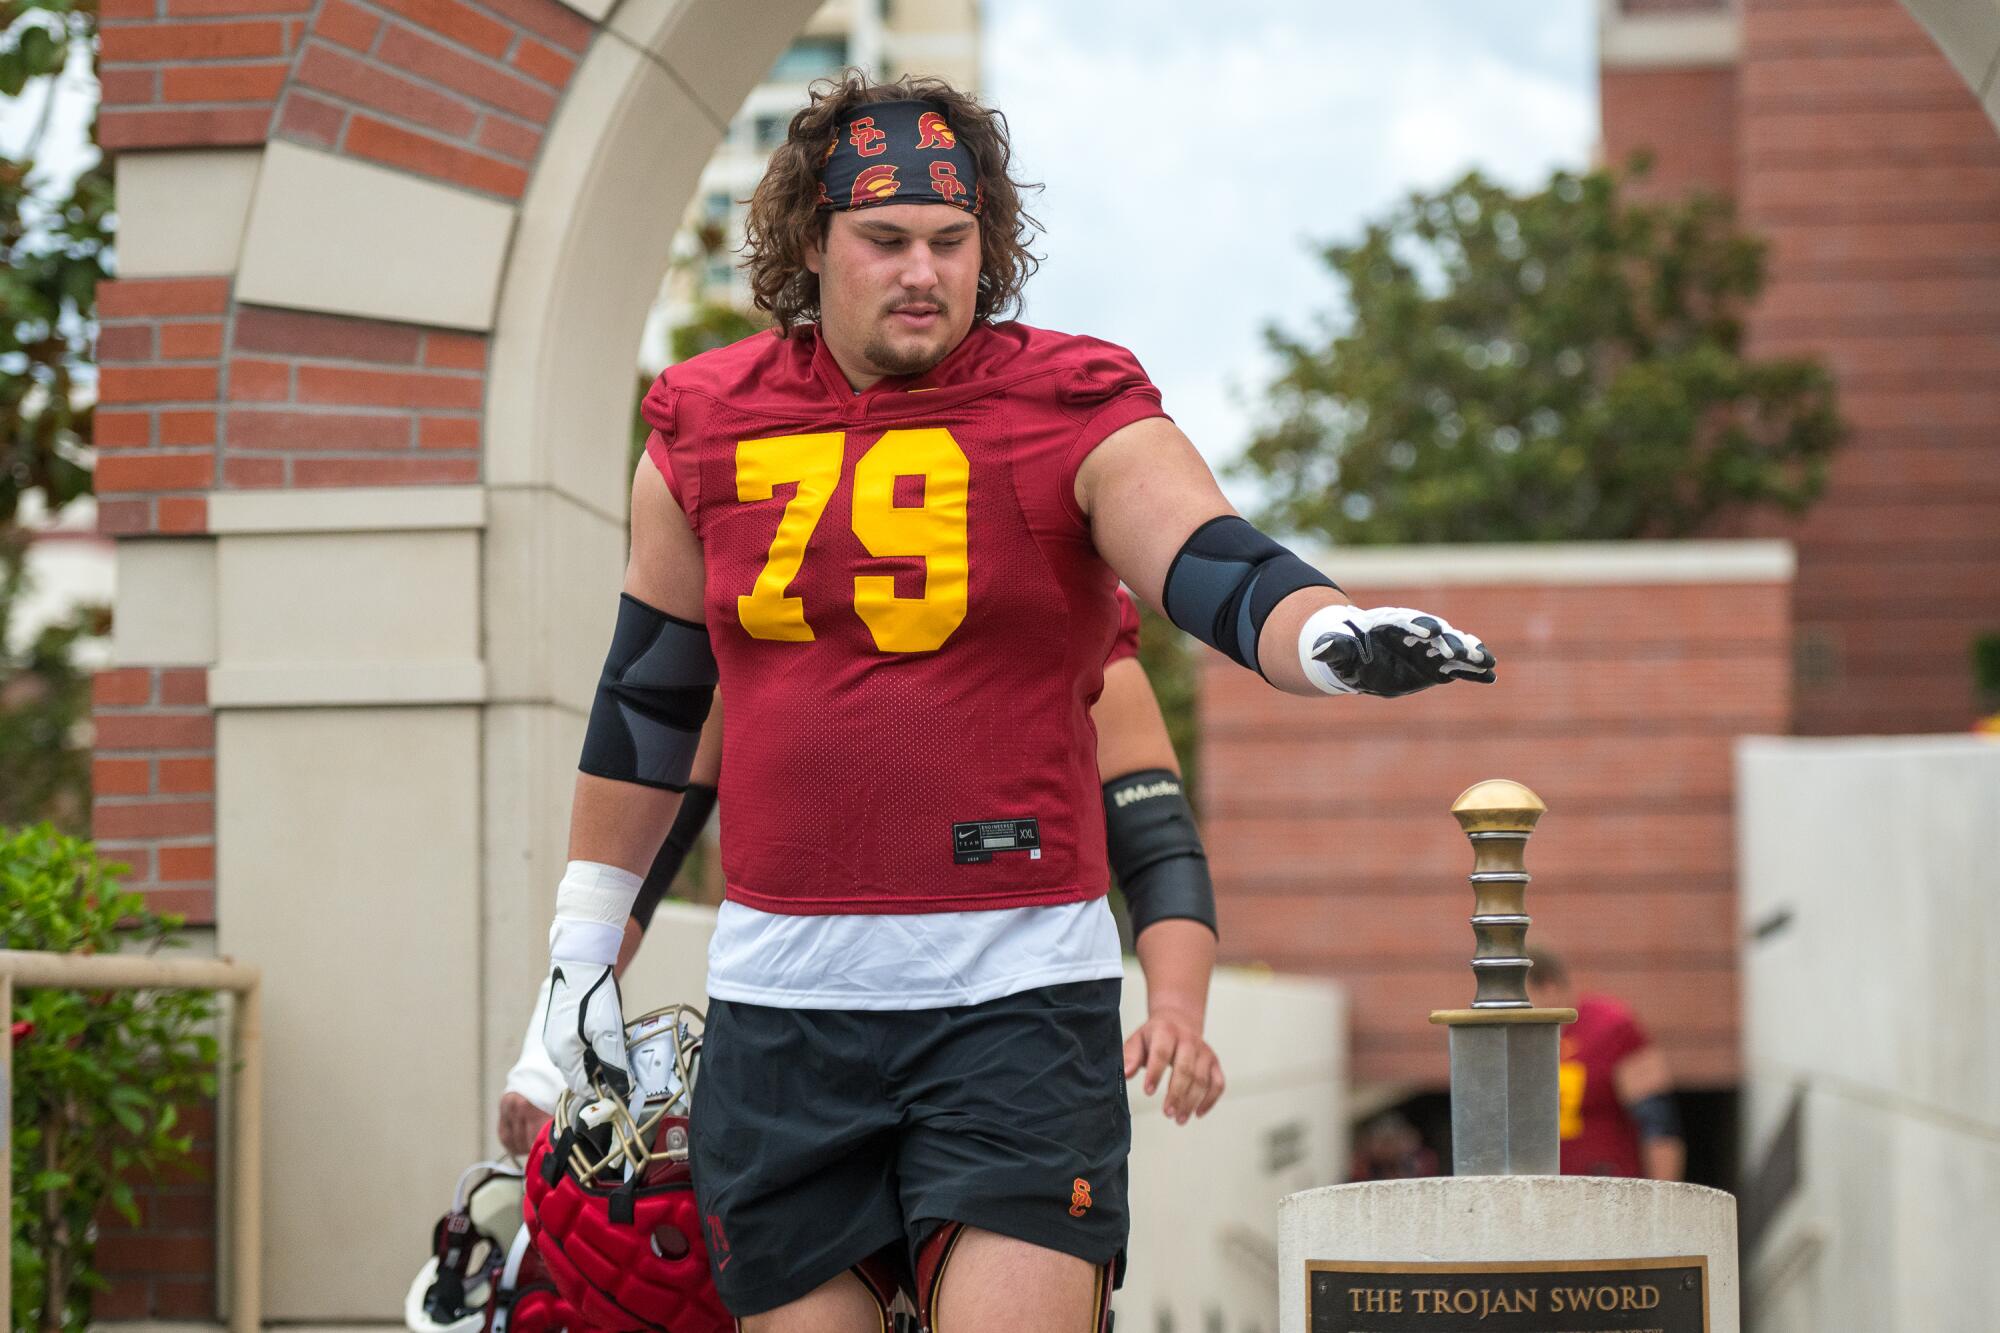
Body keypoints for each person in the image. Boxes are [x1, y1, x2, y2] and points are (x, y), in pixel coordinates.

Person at [541, 72, 1495, 1332]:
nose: (921, 270)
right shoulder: (703, 425)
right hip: (783, 1009)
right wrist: (574, 960)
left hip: (1011, 1006)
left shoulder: (1067, 400)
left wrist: (1325, 634)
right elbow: (650, 707)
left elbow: (1210, 556)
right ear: (810, 244)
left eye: (951, 240)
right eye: (884, 241)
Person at [499, 591, 1222, 1154]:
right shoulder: (762, 621)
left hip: (1007, 1035)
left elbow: (1157, 842)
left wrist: (1179, 1012)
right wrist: (545, 1055)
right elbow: (641, 858)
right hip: (798, 1044)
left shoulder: (1053, 605)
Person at [1527, 947, 1686, 1181]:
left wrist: (1662, 1203)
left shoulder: (1610, 1026)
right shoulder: (1520, 1041)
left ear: (1548, 988)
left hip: (1606, 1190)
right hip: (1540, 1193)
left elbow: (1659, 1123)